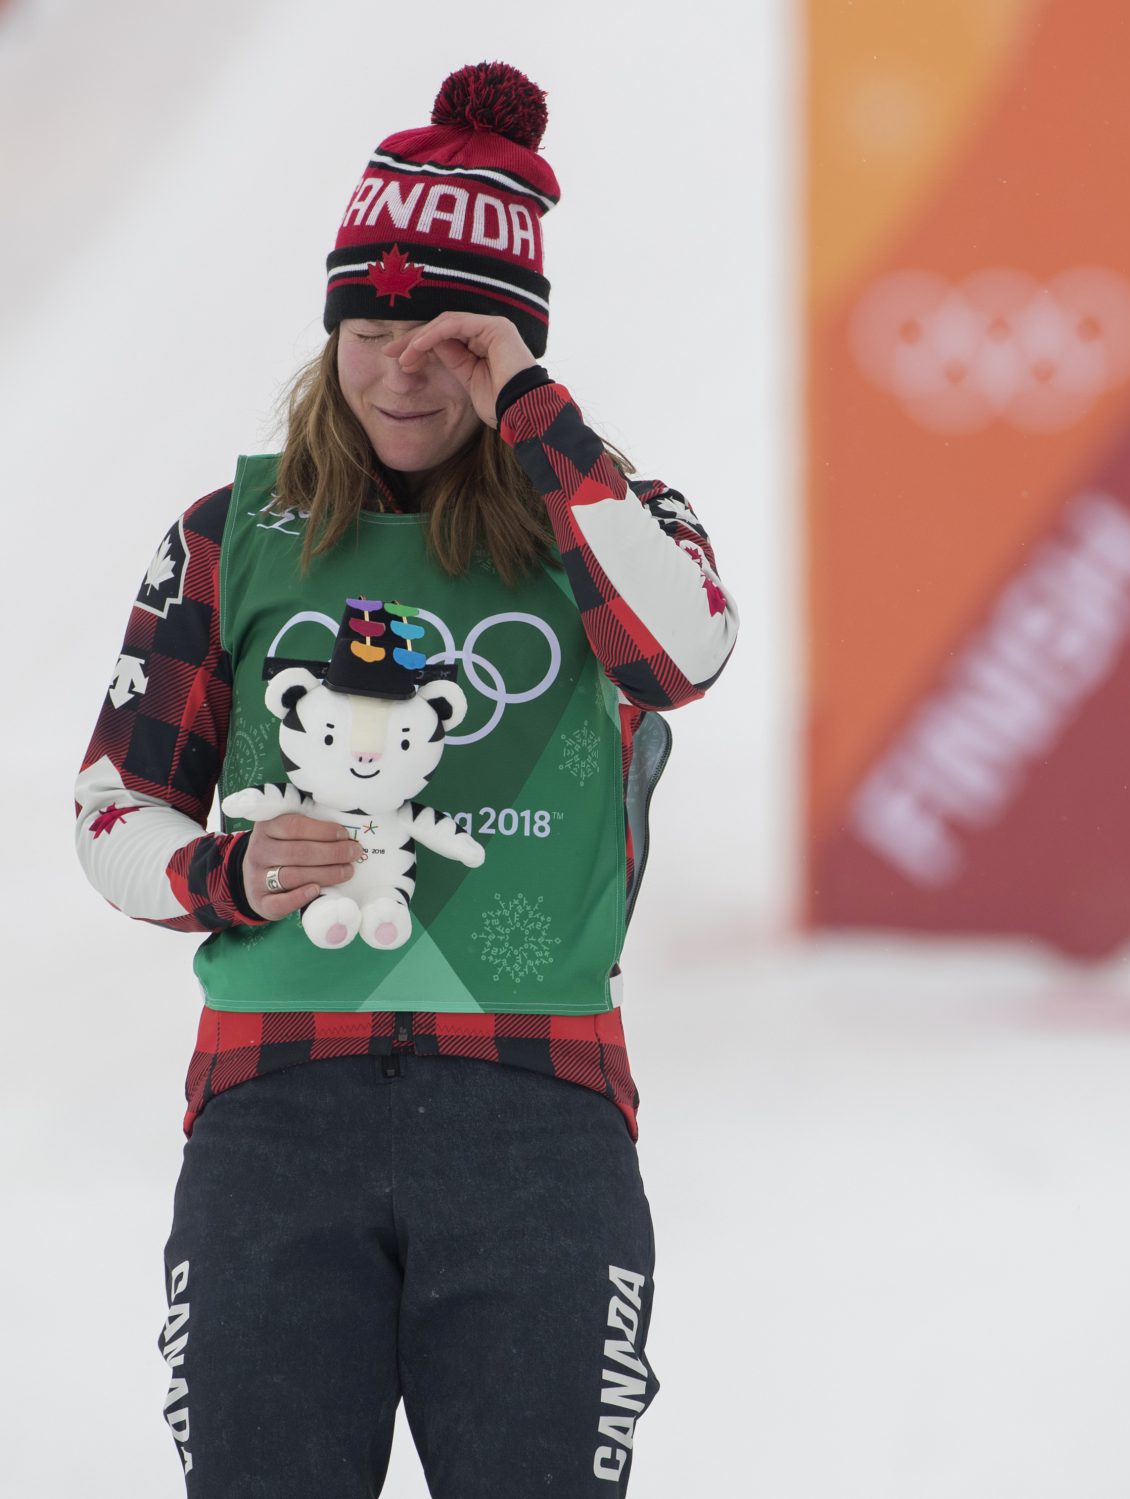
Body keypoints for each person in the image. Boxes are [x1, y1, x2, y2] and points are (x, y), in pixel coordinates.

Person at [73, 59, 738, 1498]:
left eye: (449, 340)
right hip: (273, 1114)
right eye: (371, 332)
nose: (401, 367)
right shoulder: (227, 531)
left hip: (539, 1117)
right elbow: (115, 802)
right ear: (330, 336)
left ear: (511, 350)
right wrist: (224, 872)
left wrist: (537, 413)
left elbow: (684, 656)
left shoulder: (605, 518)